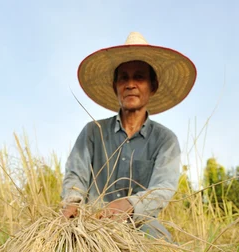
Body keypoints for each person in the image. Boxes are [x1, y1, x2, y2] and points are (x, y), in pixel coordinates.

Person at [61, 32, 196, 239]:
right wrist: (73, 202)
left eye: (139, 77)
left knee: (161, 243)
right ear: (116, 87)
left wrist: (130, 205)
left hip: (139, 223)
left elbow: (163, 188)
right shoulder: (92, 132)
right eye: (124, 78)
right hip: (91, 223)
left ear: (153, 86)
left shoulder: (165, 140)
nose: (130, 84)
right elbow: (75, 175)